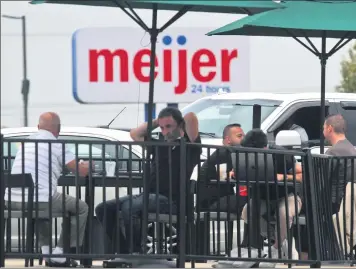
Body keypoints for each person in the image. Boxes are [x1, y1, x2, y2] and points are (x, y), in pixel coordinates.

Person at [95, 107, 201, 254]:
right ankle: (123, 250)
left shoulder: (189, 146)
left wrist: (177, 120)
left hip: (171, 199)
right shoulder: (159, 146)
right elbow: (135, 134)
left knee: (130, 207)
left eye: (169, 126)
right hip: (150, 195)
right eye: (162, 128)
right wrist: (159, 121)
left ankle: (137, 252)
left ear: (180, 125)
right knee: (103, 208)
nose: (165, 131)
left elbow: (191, 117)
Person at [5, 112, 91, 267]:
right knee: (81, 207)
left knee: (41, 206)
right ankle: (60, 253)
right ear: (58, 129)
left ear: (38, 127)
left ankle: (47, 253)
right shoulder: (56, 144)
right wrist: (86, 165)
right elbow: (80, 171)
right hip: (38, 199)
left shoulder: (25, 143)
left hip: (11, 200)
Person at [223, 129, 303, 268]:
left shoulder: (281, 154)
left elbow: (301, 175)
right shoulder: (244, 154)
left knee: (283, 213)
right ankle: (279, 241)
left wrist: (283, 177)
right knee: (247, 213)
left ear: (265, 148)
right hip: (262, 198)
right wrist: (235, 174)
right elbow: (237, 173)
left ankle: (276, 247)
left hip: (287, 196)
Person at [294, 114, 356, 260]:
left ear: (329, 128)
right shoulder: (350, 148)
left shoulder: (334, 152)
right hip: (344, 202)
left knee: (300, 212)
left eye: (323, 127)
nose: (323, 129)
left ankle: (306, 256)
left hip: (332, 203)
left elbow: (319, 180)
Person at [198, 123, 247, 214]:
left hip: (221, 198)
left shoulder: (229, 153)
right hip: (211, 202)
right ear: (228, 140)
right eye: (239, 136)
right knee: (249, 201)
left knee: (250, 200)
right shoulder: (222, 154)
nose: (244, 139)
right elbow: (224, 177)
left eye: (244, 136)